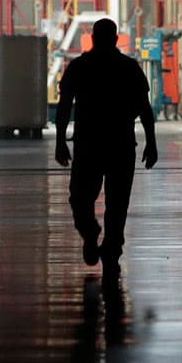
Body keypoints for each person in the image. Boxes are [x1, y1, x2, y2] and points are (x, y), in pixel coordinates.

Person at [54, 18, 157, 271]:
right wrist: (151, 143)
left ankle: (98, 238)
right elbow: (145, 109)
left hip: (90, 145)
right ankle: (108, 246)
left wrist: (60, 141)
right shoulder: (129, 68)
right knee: (116, 202)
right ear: (115, 39)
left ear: (94, 38)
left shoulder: (79, 67)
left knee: (81, 198)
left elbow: (64, 107)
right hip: (119, 145)